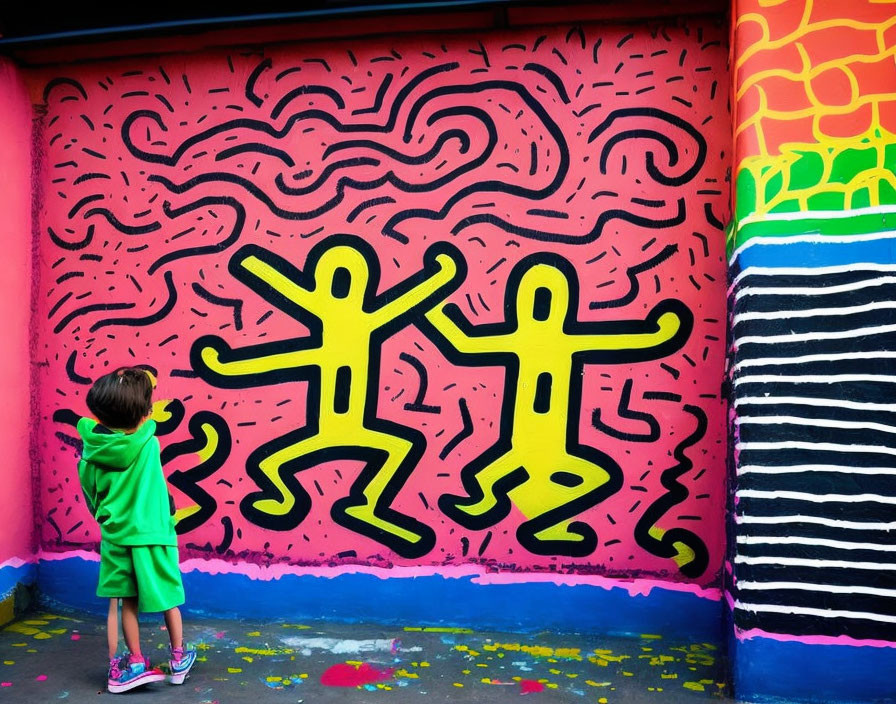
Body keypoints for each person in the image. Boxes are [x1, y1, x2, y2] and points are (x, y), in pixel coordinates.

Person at [77, 367, 197, 693]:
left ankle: (130, 664)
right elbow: (147, 433)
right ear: (142, 413)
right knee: (168, 598)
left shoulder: (88, 456)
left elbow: (93, 500)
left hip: (116, 536)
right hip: (153, 535)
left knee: (123, 602)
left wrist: (107, 520)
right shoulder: (149, 444)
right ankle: (177, 658)